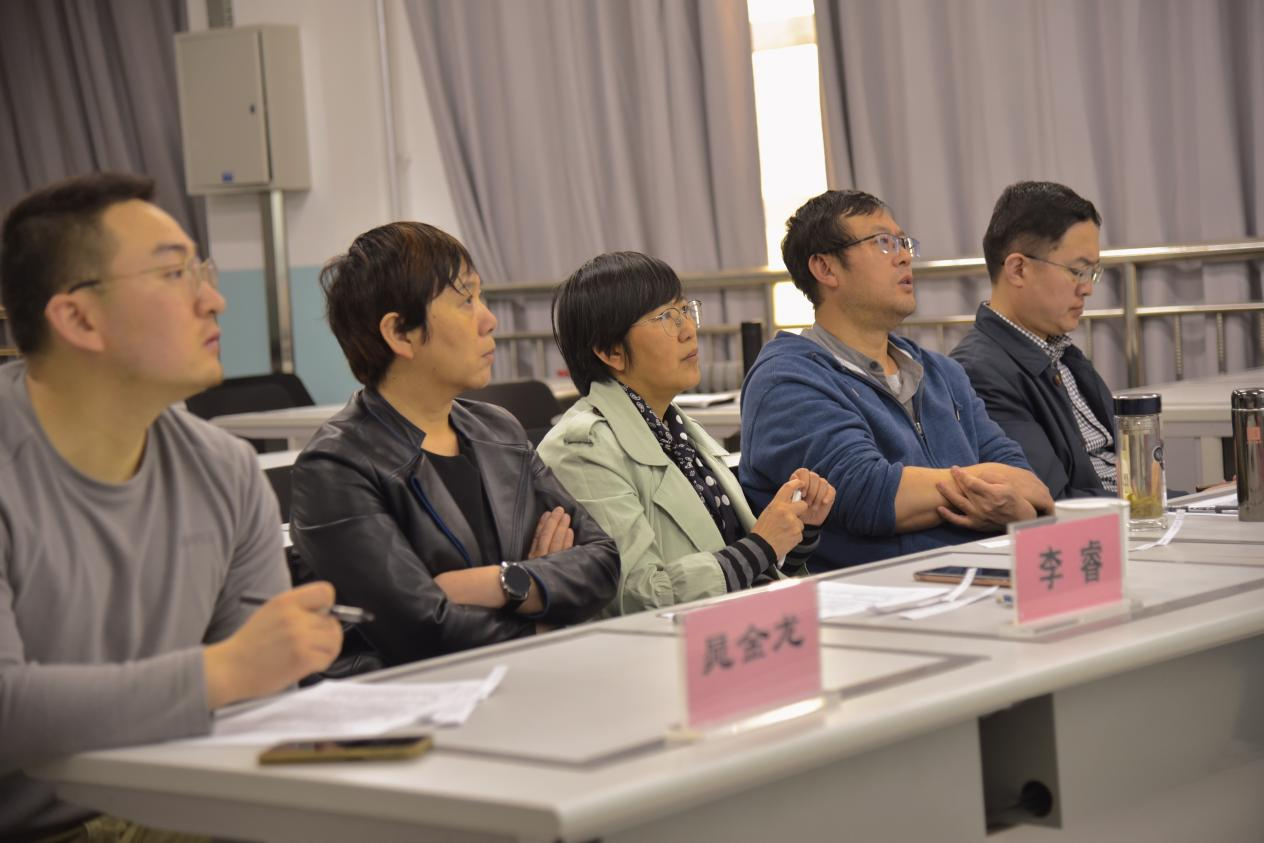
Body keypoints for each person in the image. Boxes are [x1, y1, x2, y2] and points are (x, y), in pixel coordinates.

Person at [0, 173, 343, 840]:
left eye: (201, 271)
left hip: (183, 803)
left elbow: (262, 692)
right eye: (174, 274)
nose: (213, 299)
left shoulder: (224, 468)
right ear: (78, 318)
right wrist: (224, 671)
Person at [289, 222, 619, 669]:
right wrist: (545, 616)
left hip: (519, 678)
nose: (488, 319)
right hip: (410, 698)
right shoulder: (336, 465)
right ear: (400, 333)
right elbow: (423, 629)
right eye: (466, 301)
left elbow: (602, 561)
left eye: (481, 297)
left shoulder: (496, 431)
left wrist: (503, 582)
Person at [740, 190, 1053, 570]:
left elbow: (1027, 482)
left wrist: (1019, 508)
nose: (904, 256)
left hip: (987, 574)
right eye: (883, 243)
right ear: (825, 268)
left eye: (904, 243)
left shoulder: (941, 373)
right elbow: (867, 493)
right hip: (883, 591)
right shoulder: (788, 379)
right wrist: (992, 484)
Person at [538, 252, 834, 616]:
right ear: (611, 351)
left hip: (739, 627)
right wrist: (762, 544)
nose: (688, 330)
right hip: (671, 644)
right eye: (666, 317)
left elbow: (743, 567)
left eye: (684, 310)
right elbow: (634, 596)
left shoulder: (677, 429)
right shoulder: (582, 450)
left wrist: (795, 531)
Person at [950, 181, 1117, 499]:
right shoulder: (977, 374)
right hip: (1104, 522)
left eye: (1092, 272)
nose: (1087, 288)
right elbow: (1049, 501)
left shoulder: (1062, 351)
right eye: (1077, 271)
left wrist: (1187, 501)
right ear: (1018, 270)